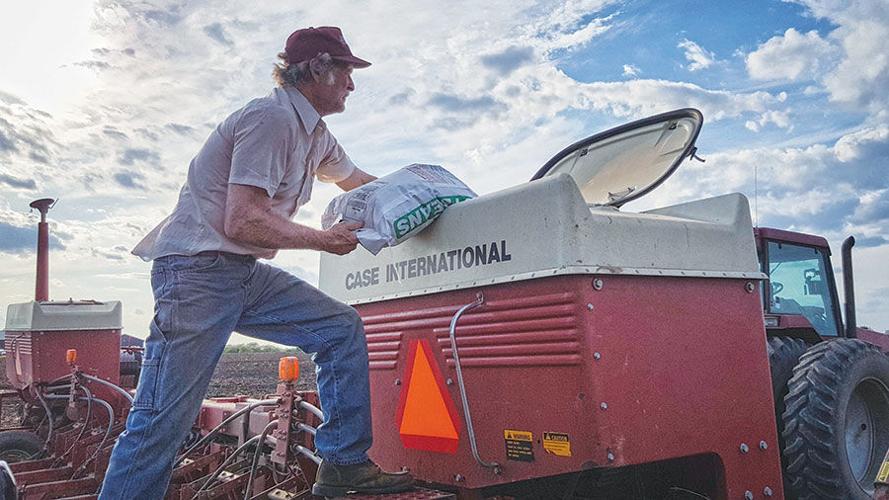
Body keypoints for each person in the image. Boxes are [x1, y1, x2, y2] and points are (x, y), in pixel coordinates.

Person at [99, 26, 414, 499]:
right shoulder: (271, 119)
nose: (352, 84)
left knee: (339, 327)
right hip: (197, 275)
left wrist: (424, 195)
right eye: (346, 71)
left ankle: (345, 464)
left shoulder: (316, 136)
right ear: (318, 68)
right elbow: (243, 220)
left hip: (240, 274)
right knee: (163, 420)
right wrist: (325, 240)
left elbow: (359, 181)